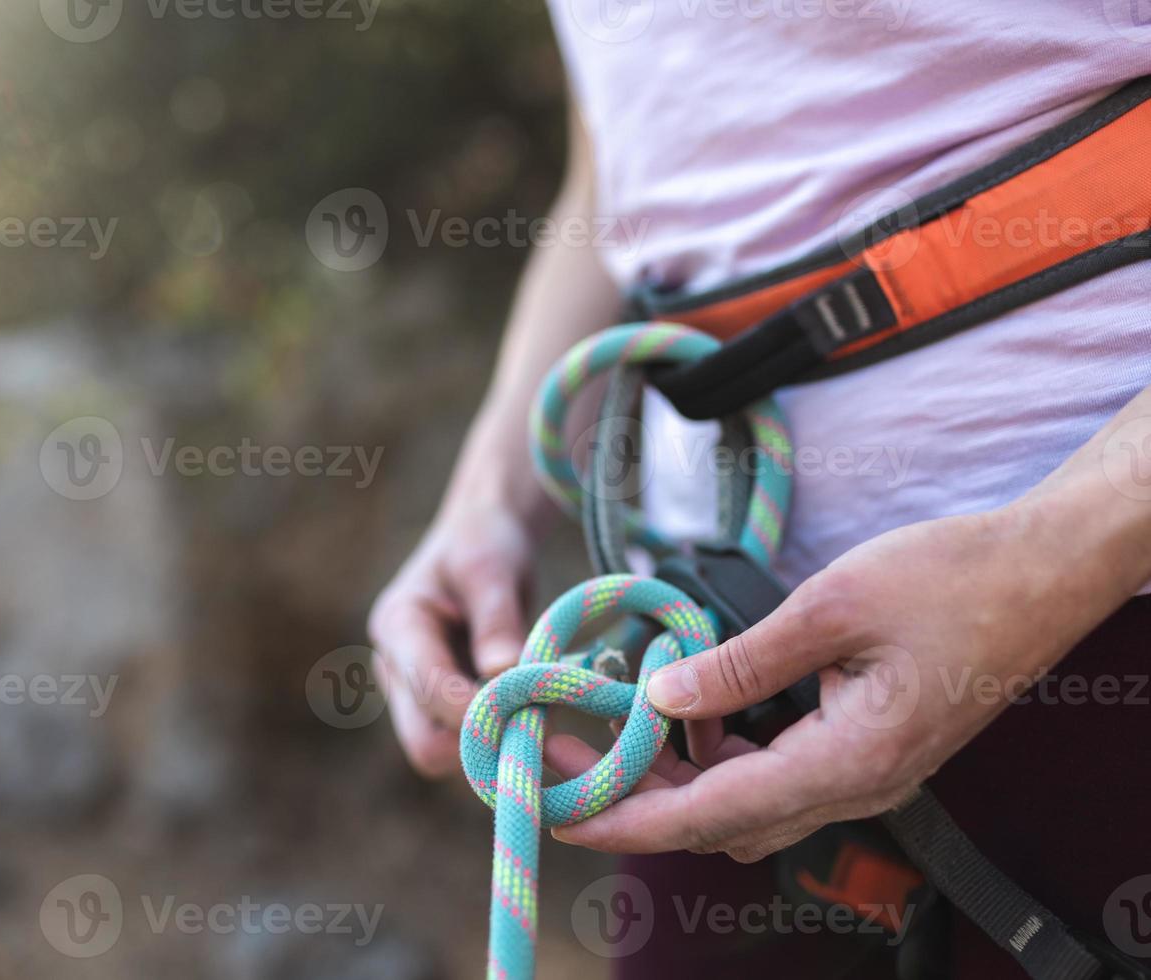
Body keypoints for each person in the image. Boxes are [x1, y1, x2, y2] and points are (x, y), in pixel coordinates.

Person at [367, 4, 1151, 976]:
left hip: (1102, 623)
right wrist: (491, 490)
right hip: (707, 691)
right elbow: (617, 160)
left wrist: (1065, 548)